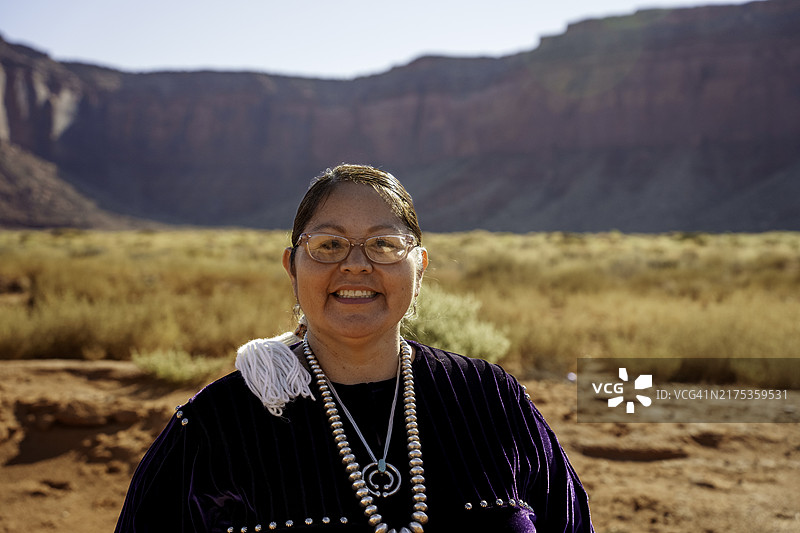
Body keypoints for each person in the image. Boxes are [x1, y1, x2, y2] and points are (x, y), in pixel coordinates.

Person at [115, 164, 594, 533]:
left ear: (420, 266)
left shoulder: (491, 400)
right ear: (292, 266)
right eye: (328, 245)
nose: (357, 265)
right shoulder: (213, 427)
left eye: (384, 245)